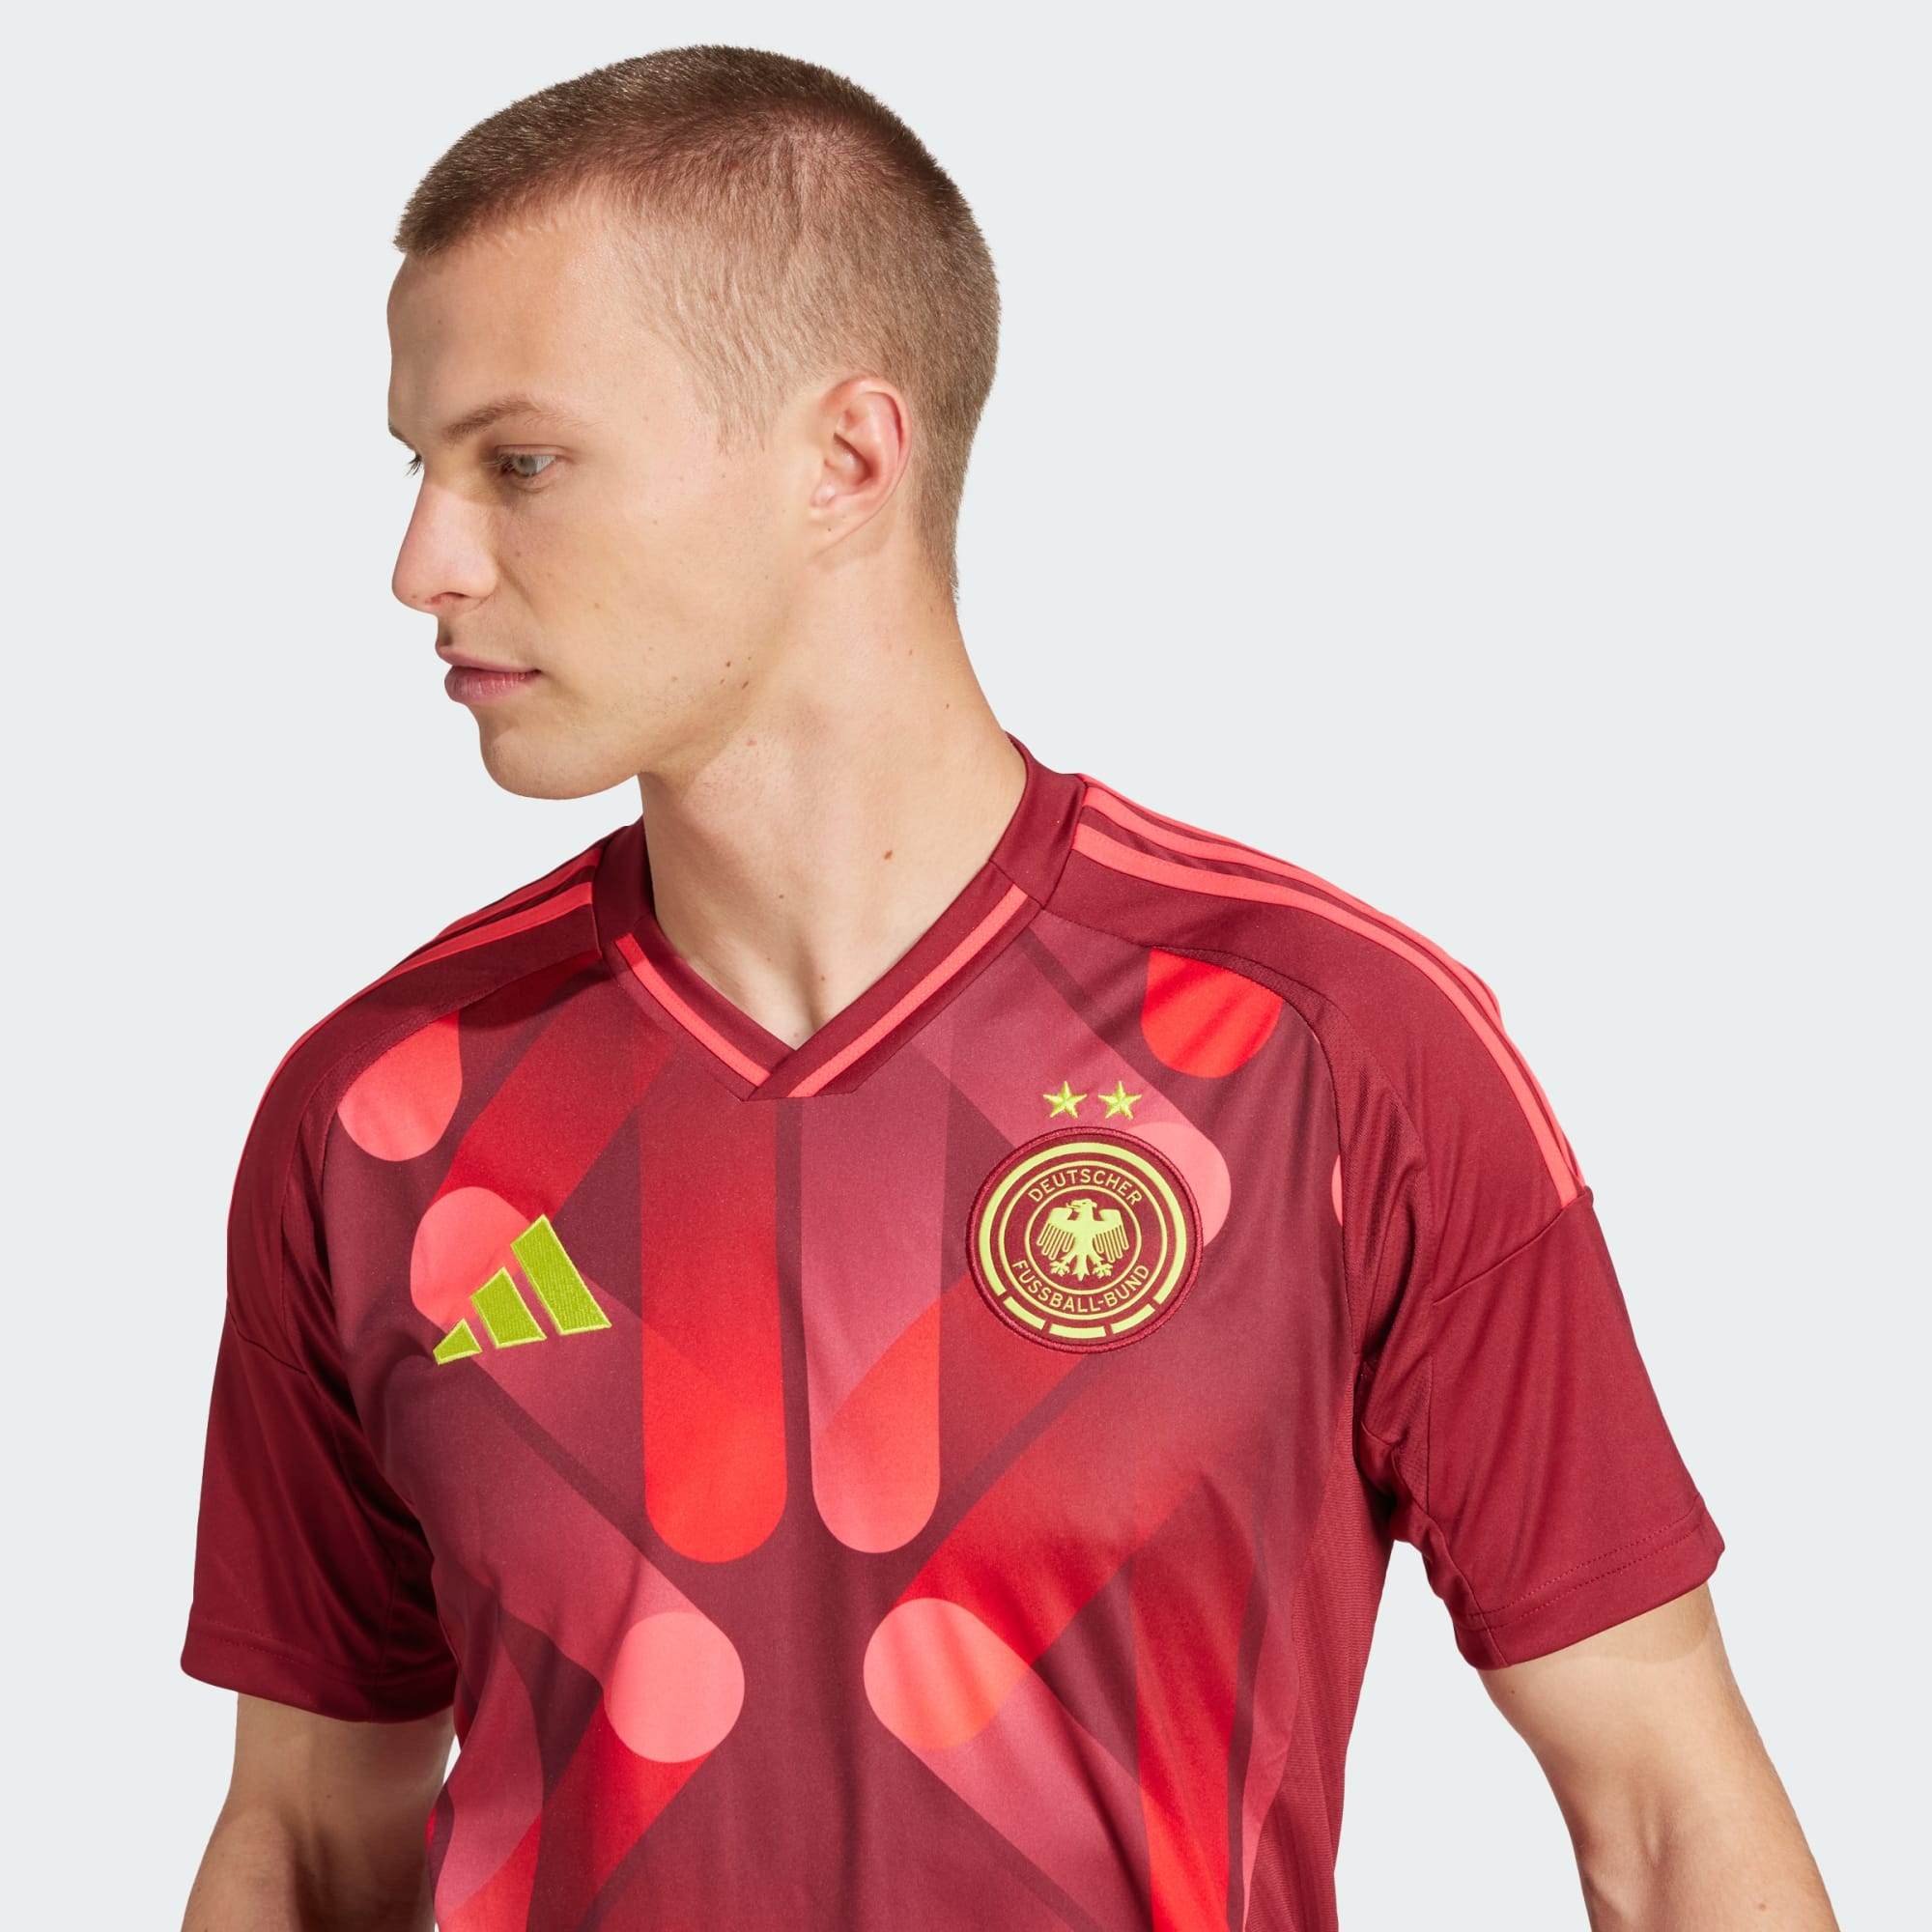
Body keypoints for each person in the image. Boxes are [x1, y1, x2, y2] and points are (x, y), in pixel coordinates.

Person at [177, 43, 1836, 1932]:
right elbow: (305, 1842)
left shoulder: (1328, 1051)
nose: (423, 561)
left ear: (845, 461)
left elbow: (1666, 1818)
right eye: (420, 465)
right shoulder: (381, 1107)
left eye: (520, 462)